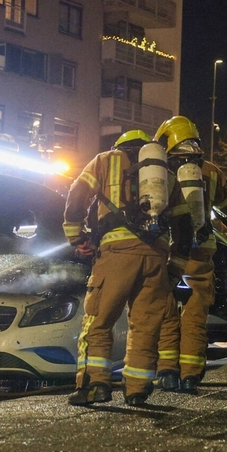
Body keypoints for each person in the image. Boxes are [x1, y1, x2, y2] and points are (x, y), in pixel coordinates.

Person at [63, 130, 190, 407]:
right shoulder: (165, 174)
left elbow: (77, 196)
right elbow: (185, 227)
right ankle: (137, 390)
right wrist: (174, 270)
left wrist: (77, 236)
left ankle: (94, 385)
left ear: (119, 146)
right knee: (146, 328)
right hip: (156, 258)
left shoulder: (105, 160)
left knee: (98, 321)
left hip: (116, 255)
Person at [152, 116, 227, 393]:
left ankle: (166, 372)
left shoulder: (159, 170)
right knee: (195, 316)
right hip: (200, 253)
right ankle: (190, 375)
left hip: (168, 251)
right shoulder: (210, 171)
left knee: (166, 312)